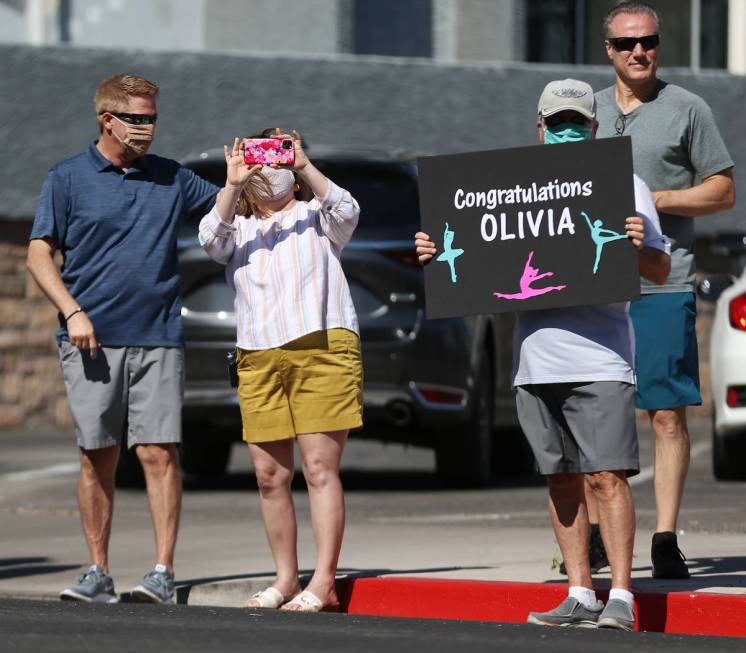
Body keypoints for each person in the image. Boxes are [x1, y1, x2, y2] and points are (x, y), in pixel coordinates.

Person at [416, 79, 671, 630]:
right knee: (560, 480)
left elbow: (660, 269)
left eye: (577, 121)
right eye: (558, 122)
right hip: (534, 360)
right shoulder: (510, 191)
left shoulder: (626, 187)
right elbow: (470, 259)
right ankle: (579, 589)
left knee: (607, 478)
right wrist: (435, 254)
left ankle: (622, 596)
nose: (568, 130)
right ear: (540, 128)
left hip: (601, 359)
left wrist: (638, 247)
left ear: (596, 127)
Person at [26, 74, 219, 604]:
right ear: (107, 119)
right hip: (90, 339)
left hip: (158, 336)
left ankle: (162, 570)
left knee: (159, 453)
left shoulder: (171, 177)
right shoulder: (66, 178)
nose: (148, 128)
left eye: (153, 118)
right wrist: (73, 311)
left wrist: (258, 171)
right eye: (137, 118)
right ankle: (98, 571)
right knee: (97, 455)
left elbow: (230, 207)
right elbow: (39, 254)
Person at [596, 1, 735, 578]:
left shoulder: (688, 109)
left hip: (663, 280)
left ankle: (663, 538)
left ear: (659, 45)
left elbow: (723, 190)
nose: (639, 51)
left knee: (666, 416)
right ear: (608, 51)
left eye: (648, 40)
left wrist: (655, 198)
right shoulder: (586, 110)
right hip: (594, 285)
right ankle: (602, 534)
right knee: (599, 416)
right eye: (627, 43)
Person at [199, 129, 363, 613]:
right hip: (258, 355)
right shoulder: (239, 228)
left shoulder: (317, 217)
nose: (269, 166)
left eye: (279, 154)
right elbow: (210, 239)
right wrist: (232, 185)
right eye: (261, 154)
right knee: (269, 475)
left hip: (322, 346)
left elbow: (348, 209)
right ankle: (285, 579)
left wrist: (303, 165)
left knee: (317, 469)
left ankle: (325, 582)